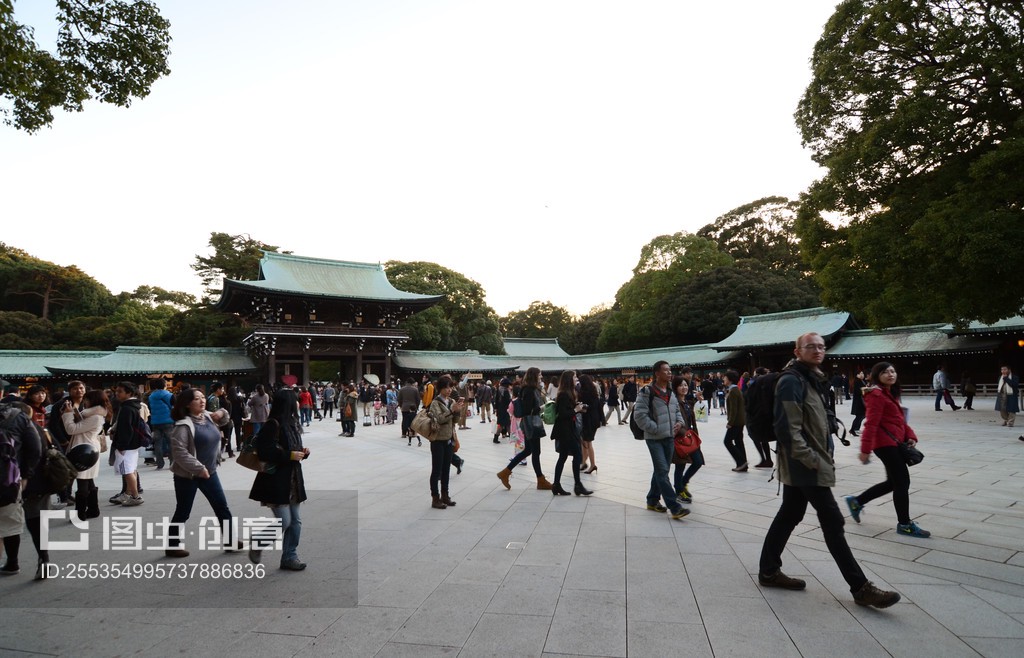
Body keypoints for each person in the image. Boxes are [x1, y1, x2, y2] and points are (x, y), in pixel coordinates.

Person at [758, 332, 901, 609]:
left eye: (821, 346)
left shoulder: (812, 379)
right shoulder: (791, 381)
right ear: (797, 350)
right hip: (805, 464)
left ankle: (768, 570)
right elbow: (787, 428)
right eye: (810, 346)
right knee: (833, 522)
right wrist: (812, 459)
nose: (818, 350)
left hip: (810, 461)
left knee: (790, 514)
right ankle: (860, 587)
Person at [844, 362, 930, 538]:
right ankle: (904, 524)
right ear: (877, 376)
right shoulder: (876, 394)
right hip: (885, 445)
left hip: (894, 442)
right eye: (885, 372)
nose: (890, 374)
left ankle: (857, 502)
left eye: (892, 371)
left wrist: (910, 436)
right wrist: (865, 449)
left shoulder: (888, 393)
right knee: (902, 483)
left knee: (893, 482)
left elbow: (899, 420)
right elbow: (871, 423)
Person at [166, 387, 235, 558]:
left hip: (210, 472)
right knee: (183, 511)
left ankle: (231, 541)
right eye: (197, 399)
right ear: (188, 404)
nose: (202, 401)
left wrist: (220, 411)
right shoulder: (183, 425)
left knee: (222, 507)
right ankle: (172, 545)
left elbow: (225, 418)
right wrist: (199, 468)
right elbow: (180, 453)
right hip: (188, 476)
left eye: (203, 397)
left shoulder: (208, 417)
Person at [248, 387, 310, 570]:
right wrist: (290, 455)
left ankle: (289, 557)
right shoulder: (272, 424)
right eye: (295, 400)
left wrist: (303, 453)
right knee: (284, 521)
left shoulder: (292, 424)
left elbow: (293, 449)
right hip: (276, 480)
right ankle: (258, 542)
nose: (298, 403)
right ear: (288, 404)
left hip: (293, 479)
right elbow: (265, 451)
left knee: (296, 521)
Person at [634, 361, 688, 520]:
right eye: (666, 370)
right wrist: (655, 428)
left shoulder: (671, 391)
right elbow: (639, 415)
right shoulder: (646, 391)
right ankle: (675, 507)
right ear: (657, 373)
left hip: (670, 438)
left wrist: (679, 423)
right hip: (654, 438)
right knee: (663, 471)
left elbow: (677, 410)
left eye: (670, 370)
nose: (669, 373)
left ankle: (652, 500)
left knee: (661, 470)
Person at [0, 399, 43, 576]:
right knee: (10, 522)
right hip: (8, 480)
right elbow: (35, 448)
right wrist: (26, 475)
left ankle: (12, 562)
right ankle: (13, 562)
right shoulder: (18, 416)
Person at [496, 367, 552, 491]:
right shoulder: (528, 390)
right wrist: (543, 407)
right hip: (531, 424)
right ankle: (540, 480)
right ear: (534, 376)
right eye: (539, 375)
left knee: (528, 450)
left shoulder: (529, 389)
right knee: (535, 452)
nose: (541, 377)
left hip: (529, 424)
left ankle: (505, 472)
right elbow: (528, 410)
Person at [62, 390, 111, 521]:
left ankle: (80, 514)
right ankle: (93, 509)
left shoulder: (95, 417)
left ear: (93, 400)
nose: (85, 402)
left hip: (85, 451)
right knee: (89, 481)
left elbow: (71, 429)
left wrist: (67, 415)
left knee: (82, 482)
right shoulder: (91, 414)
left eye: (87, 399)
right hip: (85, 449)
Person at [548, 370, 592, 497]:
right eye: (574, 377)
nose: (576, 378)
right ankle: (577, 485)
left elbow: (568, 410)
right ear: (569, 379)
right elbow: (562, 414)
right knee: (576, 455)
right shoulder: (563, 394)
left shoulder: (569, 393)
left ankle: (557, 484)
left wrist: (578, 408)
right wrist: (575, 409)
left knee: (563, 457)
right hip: (565, 430)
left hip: (568, 429)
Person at [426, 376, 462, 509]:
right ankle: (435, 498)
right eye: (446, 387)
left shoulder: (451, 400)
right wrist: (451, 411)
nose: (449, 390)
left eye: (450, 387)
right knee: (437, 470)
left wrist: (457, 411)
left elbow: (455, 421)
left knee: (446, 469)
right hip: (437, 440)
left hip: (449, 439)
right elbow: (439, 419)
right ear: (440, 388)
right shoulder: (435, 403)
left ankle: (445, 495)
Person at [110, 381, 144, 507]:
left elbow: (126, 429)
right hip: (133, 444)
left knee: (127, 470)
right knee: (131, 469)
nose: (117, 394)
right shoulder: (134, 406)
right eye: (116, 391)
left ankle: (135, 496)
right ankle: (129, 493)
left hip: (127, 445)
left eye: (120, 391)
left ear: (128, 393)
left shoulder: (126, 408)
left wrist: (122, 445)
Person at [671, 375, 704, 504]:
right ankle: (678, 491)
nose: (684, 387)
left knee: (698, 462)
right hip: (680, 438)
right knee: (680, 465)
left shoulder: (686, 402)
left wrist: (697, 399)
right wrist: (684, 433)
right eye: (681, 385)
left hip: (690, 437)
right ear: (675, 387)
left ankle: (683, 483)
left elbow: (690, 413)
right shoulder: (674, 403)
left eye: (685, 385)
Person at [744, 367, 773, 469]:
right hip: (765, 414)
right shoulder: (769, 383)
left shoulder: (753, 383)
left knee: (755, 437)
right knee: (763, 438)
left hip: (754, 414)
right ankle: (768, 459)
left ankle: (763, 459)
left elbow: (748, 398)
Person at [722, 370, 748, 472]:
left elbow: (734, 409)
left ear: (730, 379)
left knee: (727, 441)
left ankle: (741, 462)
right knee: (738, 441)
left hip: (736, 422)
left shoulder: (733, 391)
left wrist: (730, 423)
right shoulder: (735, 389)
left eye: (725, 377)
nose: (723, 379)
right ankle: (742, 464)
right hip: (740, 421)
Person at [148, 379, 174, 469]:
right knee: (170, 442)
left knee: (157, 443)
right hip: (168, 421)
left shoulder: (151, 396)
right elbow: (173, 406)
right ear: (164, 385)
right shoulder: (168, 395)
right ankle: (172, 463)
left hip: (155, 422)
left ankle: (160, 464)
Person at [578, 374, 602, 474]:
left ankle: (592, 464)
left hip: (588, 420)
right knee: (584, 442)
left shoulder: (584, 393)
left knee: (587, 443)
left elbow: (587, 407)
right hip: (594, 420)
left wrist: (581, 407)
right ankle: (584, 462)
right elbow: (597, 406)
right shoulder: (593, 391)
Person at [398, 377, 421, 445]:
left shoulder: (402, 389)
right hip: (413, 407)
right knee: (413, 420)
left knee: (405, 419)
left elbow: (399, 399)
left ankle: (404, 433)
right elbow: (418, 399)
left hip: (404, 407)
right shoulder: (415, 390)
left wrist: (401, 405)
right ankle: (413, 433)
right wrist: (416, 406)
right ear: (412, 383)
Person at [493, 378, 512, 443]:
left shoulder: (499, 390)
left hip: (500, 410)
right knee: (508, 424)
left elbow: (496, 400)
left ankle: (496, 438)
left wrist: (496, 409)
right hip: (505, 410)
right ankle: (511, 437)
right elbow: (508, 401)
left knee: (501, 424)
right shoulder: (506, 391)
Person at [849, 370, 867, 436]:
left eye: (862, 373)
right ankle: (852, 429)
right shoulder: (857, 382)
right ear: (857, 375)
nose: (862, 374)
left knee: (862, 416)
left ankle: (856, 428)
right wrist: (864, 390)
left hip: (862, 402)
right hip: (858, 402)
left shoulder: (863, 381)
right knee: (859, 416)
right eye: (860, 373)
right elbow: (857, 391)